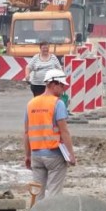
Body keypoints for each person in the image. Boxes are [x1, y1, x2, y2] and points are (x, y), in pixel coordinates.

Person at [23, 68, 76, 200]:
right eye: (62, 85)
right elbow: (64, 131)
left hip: (36, 155)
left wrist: (27, 155)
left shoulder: (31, 104)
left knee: (37, 194)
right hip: (54, 155)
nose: (63, 89)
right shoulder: (57, 103)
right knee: (54, 194)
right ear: (53, 84)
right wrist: (71, 155)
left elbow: (26, 132)